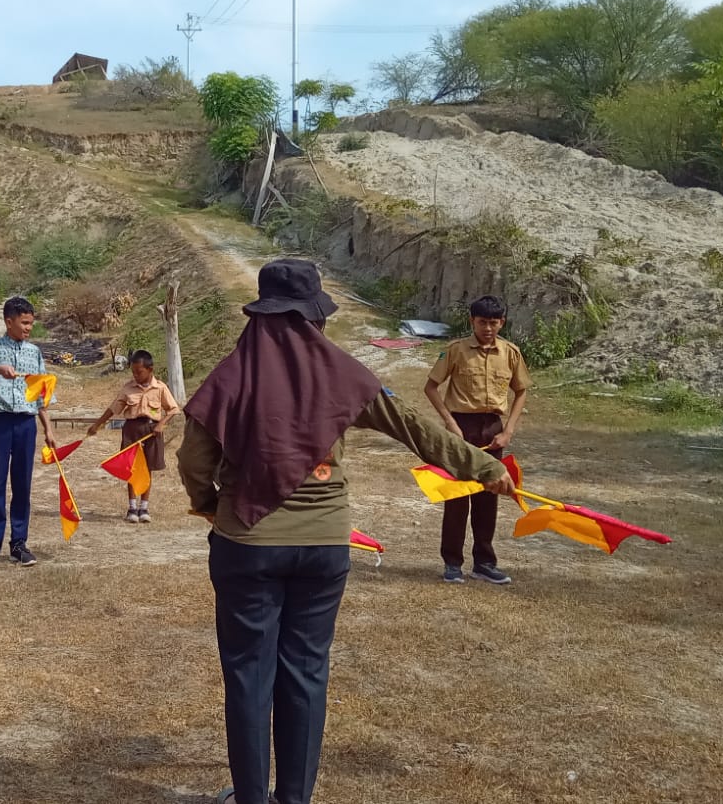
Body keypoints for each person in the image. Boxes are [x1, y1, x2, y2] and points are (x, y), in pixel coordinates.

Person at [177, 259, 513, 804]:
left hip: (247, 544)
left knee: (248, 676)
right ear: (315, 318)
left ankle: (251, 798)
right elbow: (417, 429)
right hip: (326, 546)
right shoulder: (344, 375)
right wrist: (485, 467)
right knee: (306, 672)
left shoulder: (231, 376)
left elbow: (193, 460)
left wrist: (211, 506)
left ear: (259, 317)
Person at [423, 294, 531, 585]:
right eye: (482, 322)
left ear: (502, 323)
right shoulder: (455, 350)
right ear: (472, 321)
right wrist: (449, 422)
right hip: (461, 428)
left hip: (492, 429)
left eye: (493, 323)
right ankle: (452, 563)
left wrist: (507, 431)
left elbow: (521, 390)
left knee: (489, 496)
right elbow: (431, 387)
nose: (487, 328)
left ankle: (484, 562)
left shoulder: (510, 353)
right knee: (457, 498)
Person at [0, 296, 58, 567]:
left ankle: (19, 543)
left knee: (22, 484)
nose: (29, 328)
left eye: (31, 323)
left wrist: (48, 430)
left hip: (26, 425)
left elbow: (41, 396)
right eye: (24, 322)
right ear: (9, 321)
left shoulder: (34, 353)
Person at [86, 349, 180, 523]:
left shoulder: (160, 388)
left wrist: (161, 424)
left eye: (139, 372)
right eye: (133, 372)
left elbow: (173, 409)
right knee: (131, 468)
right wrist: (97, 424)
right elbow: (114, 409)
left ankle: (144, 507)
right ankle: (132, 507)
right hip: (132, 430)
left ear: (150, 369)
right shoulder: (128, 388)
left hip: (152, 431)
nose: (136, 375)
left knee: (147, 468)